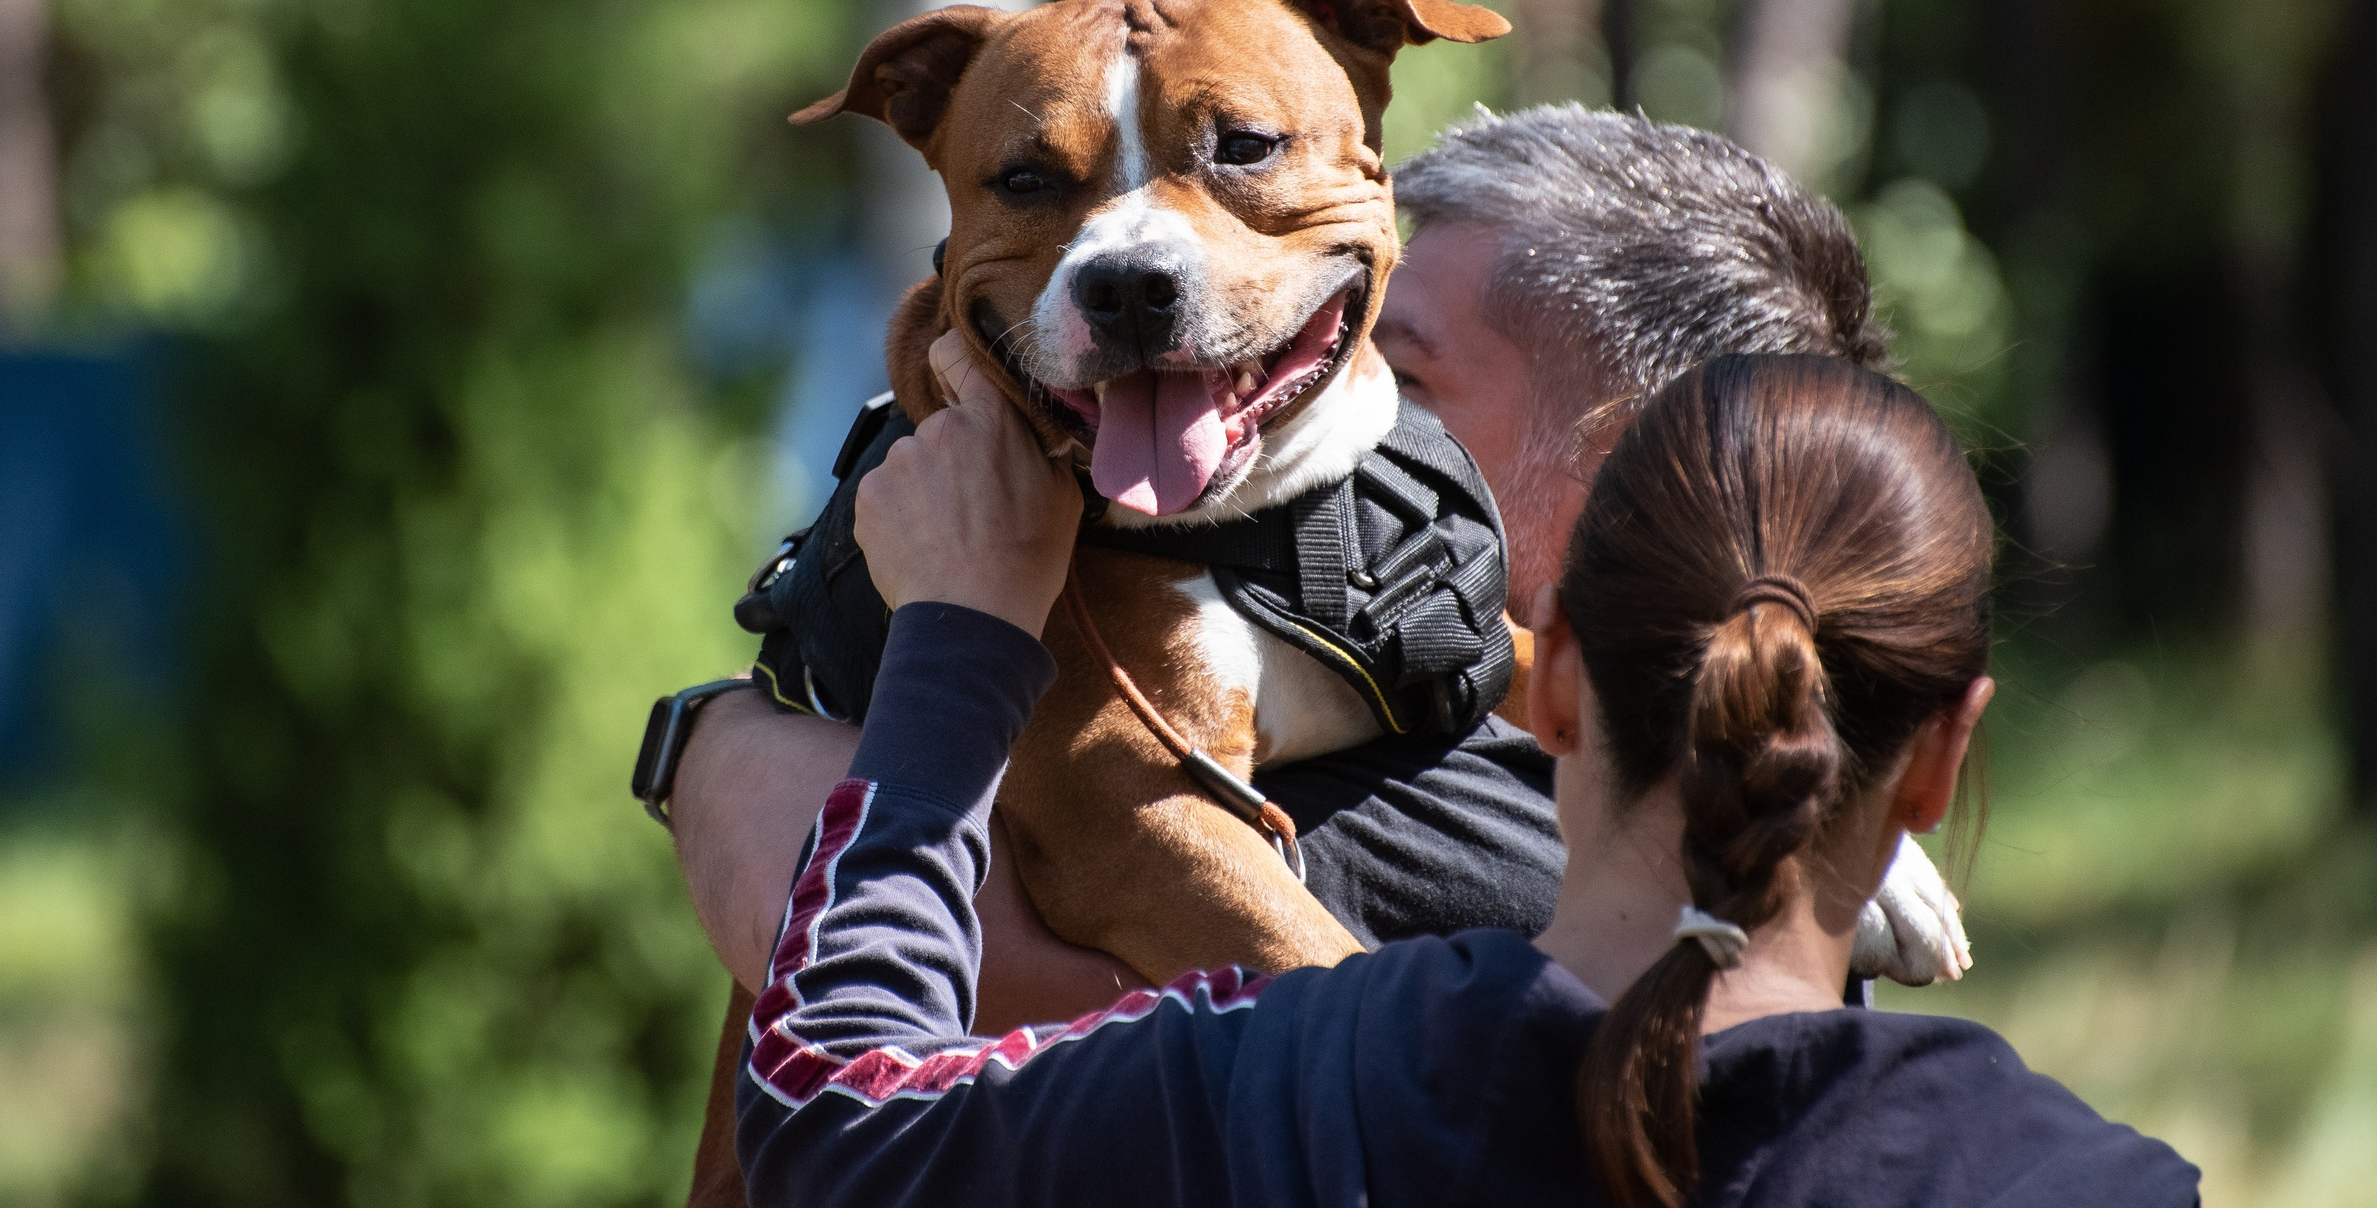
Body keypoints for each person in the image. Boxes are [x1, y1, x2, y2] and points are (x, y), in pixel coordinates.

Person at [732, 349, 2198, 1208]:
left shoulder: (1287, 1075)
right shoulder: (2084, 1184)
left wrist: (952, 651)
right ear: (1942, 758)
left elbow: (833, 1134)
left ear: (1547, 676)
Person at [670, 109, 1929, 1024]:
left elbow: (859, 983)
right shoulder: (1735, 808)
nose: (1307, 422)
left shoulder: (1476, 816)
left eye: (1407, 377)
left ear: (1630, 482)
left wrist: (717, 736)